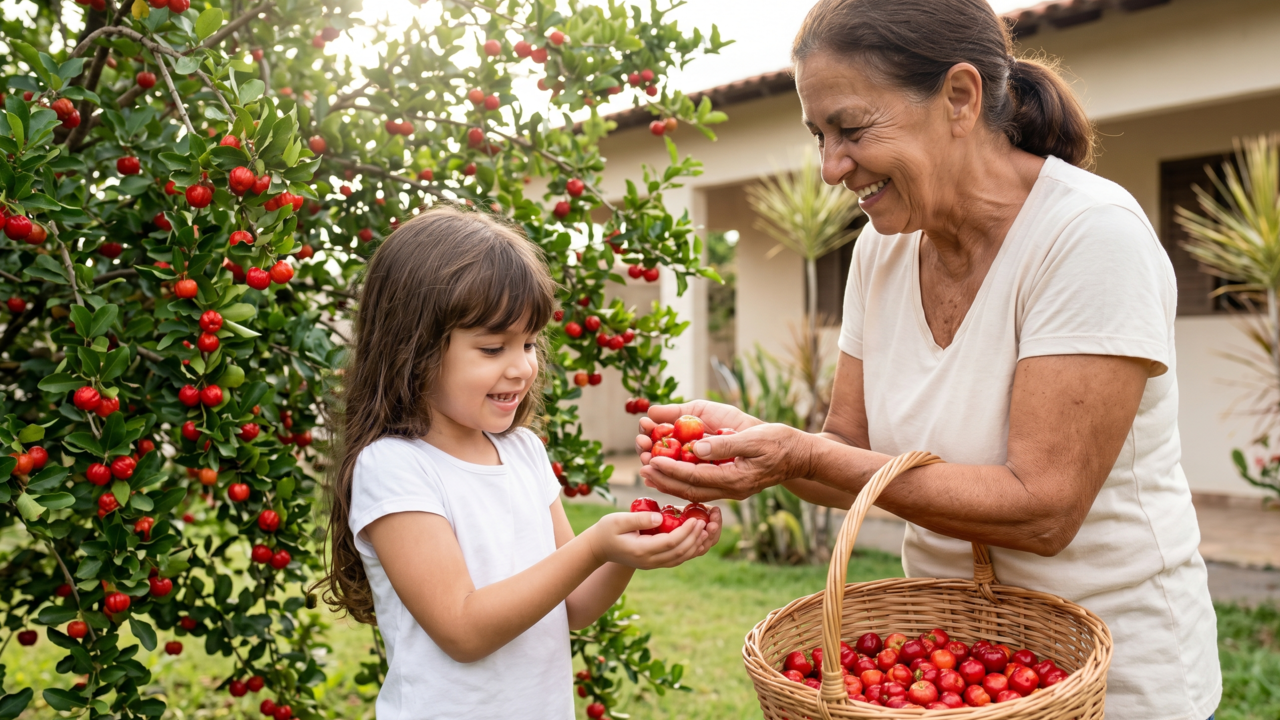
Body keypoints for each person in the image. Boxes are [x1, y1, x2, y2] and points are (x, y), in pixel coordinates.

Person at [635, 1, 1219, 718]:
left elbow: (1044, 510)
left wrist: (802, 459)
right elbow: (848, 450)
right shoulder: (881, 247)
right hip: (950, 664)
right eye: (818, 135)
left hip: (1104, 675)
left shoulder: (1091, 239)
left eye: (850, 129)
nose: (829, 167)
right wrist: (753, 446)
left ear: (960, 98)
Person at [316, 205, 722, 719]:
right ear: (412, 349)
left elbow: (573, 606)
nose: (522, 366)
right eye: (492, 348)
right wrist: (594, 546)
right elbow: (462, 630)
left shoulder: (522, 451)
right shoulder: (394, 469)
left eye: (528, 342)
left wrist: (630, 549)